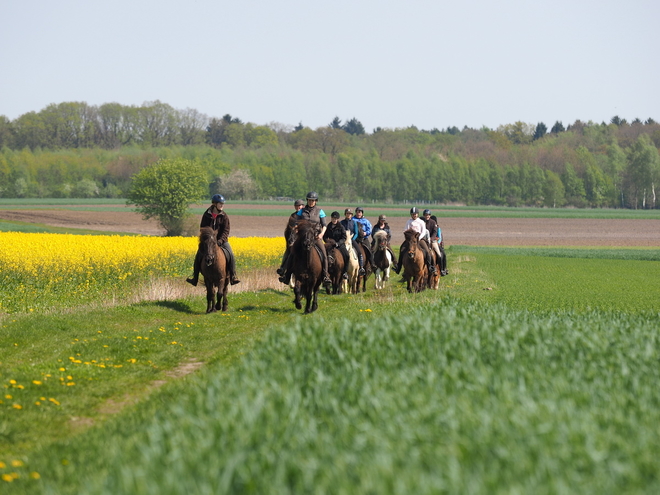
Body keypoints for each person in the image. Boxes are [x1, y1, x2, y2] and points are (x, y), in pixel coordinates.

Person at [278, 191, 332, 289]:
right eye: (310, 200)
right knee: (292, 252)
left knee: (324, 254)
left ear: (316, 201)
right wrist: (296, 229)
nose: (311, 202)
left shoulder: (320, 211)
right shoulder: (301, 211)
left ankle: (325, 275)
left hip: (315, 237)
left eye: (313, 200)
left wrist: (321, 234)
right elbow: (296, 223)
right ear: (307, 200)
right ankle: (287, 275)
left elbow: (324, 225)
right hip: (303, 237)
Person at [186, 194, 240, 286]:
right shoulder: (206, 215)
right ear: (214, 204)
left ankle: (233, 276)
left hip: (221, 241)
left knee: (230, 254)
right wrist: (207, 240)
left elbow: (226, 231)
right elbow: (202, 228)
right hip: (208, 242)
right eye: (220, 203)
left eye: (223, 204)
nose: (222, 205)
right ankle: (195, 278)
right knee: (198, 255)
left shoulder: (224, 216)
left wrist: (220, 241)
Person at [393, 206, 436, 275]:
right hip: (410, 240)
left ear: (418, 214)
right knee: (402, 249)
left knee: (427, 251)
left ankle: (430, 267)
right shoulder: (408, 222)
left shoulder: (421, 222)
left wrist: (418, 238)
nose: (414, 215)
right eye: (413, 214)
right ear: (411, 215)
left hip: (419, 239)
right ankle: (399, 267)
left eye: (415, 214)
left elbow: (423, 231)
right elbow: (405, 230)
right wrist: (408, 238)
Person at [276, 199, 304, 276]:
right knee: (288, 251)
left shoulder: (305, 215)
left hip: (304, 239)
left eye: (300, 205)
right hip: (294, 239)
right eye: (297, 206)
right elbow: (290, 230)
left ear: (303, 206)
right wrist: (290, 241)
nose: (298, 207)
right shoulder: (293, 216)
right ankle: (282, 268)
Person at [323, 211, 349, 280]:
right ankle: (323, 272)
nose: (334, 220)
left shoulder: (341, 227)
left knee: (347, 255)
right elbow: (325, 236)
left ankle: (345, 272)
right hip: (330, 245)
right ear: (331, 218)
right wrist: (327, 242)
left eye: (335, 218)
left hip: (339, 245)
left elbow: (344, 237)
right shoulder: (328, 226)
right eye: (333, 218)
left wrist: (338, 243)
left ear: (337, 219)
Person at [340, 208, 366, 276]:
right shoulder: (341, 223)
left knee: (359, 252)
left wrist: (351, 239)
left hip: (352, 240)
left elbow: (356, 233)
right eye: (347, 214)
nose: (348, 215)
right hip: (343, 240)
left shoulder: (354, 222)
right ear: (345, 214)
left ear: (351, 215)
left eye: (350, 214)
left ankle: (361, 267)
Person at [422, 209, 443, 274]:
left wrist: (431, 239)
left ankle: (440, 269)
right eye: (425, 215)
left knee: (439, 254)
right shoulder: (421, 222)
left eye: (428, 215)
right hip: (423, 240)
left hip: (432, 240)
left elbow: (435, 232)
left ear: (430, 215)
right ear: (424, 215)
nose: (427, 216)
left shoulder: (433, 222)